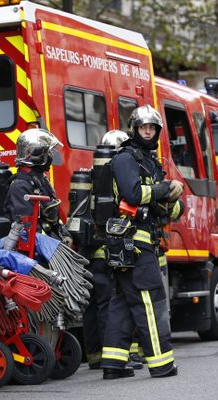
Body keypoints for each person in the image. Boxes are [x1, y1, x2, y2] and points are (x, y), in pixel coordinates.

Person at [101, 105, 184, 379]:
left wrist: (175, 203)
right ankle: (161, 363)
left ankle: (113, 364)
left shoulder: (149, 161)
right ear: (134, 129)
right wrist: (165, 189)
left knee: (123, 303)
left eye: (152, 127)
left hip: (138, 242)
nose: (147, 131)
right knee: (150, 300)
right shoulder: (126, 159)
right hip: (134, 243)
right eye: (143, 127)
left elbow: (163, 207)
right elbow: (134, 195)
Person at [83, 129, 134, 369]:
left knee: (93, 305)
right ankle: (110, 356)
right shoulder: (115, 178)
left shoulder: (90, 177)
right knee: (110, 305)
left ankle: (94, 356)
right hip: (110, 250)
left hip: (89, 251)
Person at [4, 128, 73, 245]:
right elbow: (28, 230)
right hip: (35, 248)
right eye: (48, 153)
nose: (51, 157)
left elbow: (51, 217)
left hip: (48, 240)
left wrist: (65, 234)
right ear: (37, 156)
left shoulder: (39, 180)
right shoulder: (20, 186)